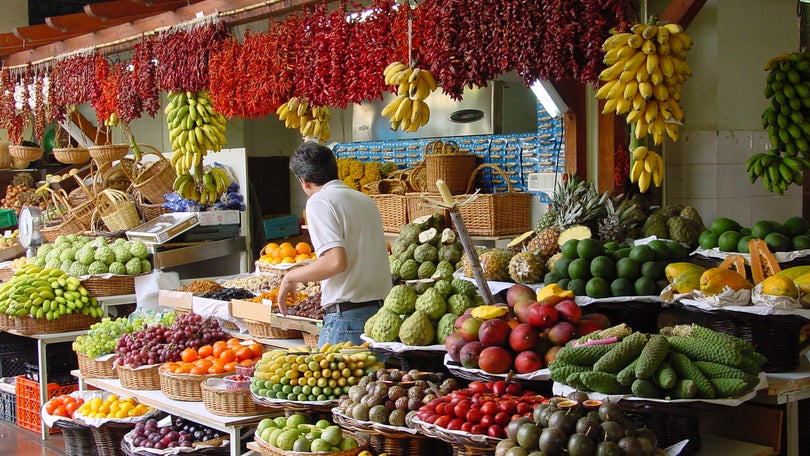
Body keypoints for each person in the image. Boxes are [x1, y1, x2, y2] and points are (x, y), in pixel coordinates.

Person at [277, 142, 392, 347]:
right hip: (380, 315)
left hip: (348, 320)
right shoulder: (364, 200)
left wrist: (289, 277)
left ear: (304, 182)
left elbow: (335, 262)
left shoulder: (319, 201)